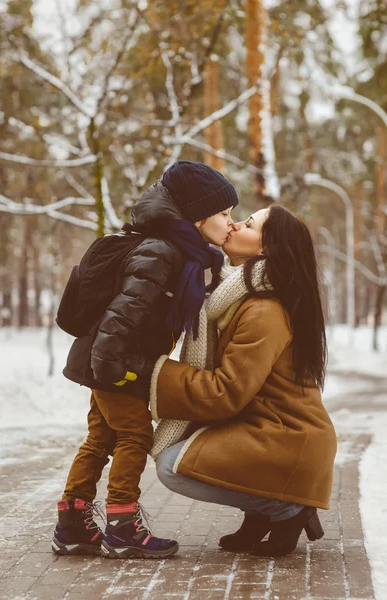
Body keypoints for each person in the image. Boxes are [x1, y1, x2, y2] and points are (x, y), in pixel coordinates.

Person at [51, 160, 239, 559]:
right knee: (135, 435)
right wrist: (112, 370)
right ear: (197, 216)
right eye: (224, 214)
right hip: (115, 363)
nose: (230, 223)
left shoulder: (178, 252)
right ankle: (122, 526)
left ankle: (71, 524)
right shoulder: (161, 251)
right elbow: (124, 312)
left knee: (101, 438)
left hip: (113, 360)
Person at [148, 203, 337, 557]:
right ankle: (261, 512)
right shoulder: (238, 296)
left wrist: (153, 373)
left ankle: (287, 510)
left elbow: (226, 392)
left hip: (287, 437)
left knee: (172, 466)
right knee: (196, 451)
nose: (233, 225)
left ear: (267, 248)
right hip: (269, 428)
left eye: (248, 224)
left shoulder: (264, 309)